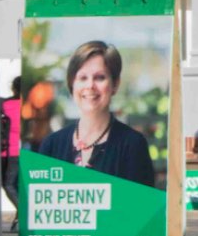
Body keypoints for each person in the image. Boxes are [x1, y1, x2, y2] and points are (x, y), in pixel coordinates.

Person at [38, 41, 156, 185]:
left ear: (115, 84)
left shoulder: (132, 145)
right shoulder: (51, 145)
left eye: (100, 77)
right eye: (83, 78)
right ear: (72, 84)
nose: (90, 86)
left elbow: (142, 205)